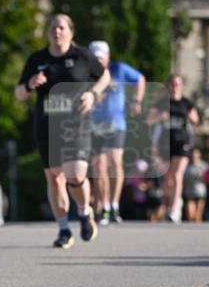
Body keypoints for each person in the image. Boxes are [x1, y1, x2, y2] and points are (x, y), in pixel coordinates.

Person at [15, 14, 110, 248]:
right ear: (47, 32)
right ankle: (64, 230)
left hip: (76, 124)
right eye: (52, 28)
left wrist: (92, 93)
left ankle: (84, 212)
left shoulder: (82, 56)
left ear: (71, 32)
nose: (56, 32)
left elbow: (105, 76)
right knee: (54, 179)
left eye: (61, 27)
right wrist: (30, 84)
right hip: (47, 124)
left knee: (75, 175)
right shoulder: (37, 59)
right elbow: (19, 94)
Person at [88, 40, 145, 224]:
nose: (98, 62)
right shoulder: (86, 73)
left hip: (117, 123)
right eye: (94, 58)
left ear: (108, 57)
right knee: (99, 167)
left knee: (115, 160)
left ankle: (114, 205)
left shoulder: (119, 69)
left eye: (101, 58)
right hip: (95, 125)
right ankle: (103, 207)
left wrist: (137, 101)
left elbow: (140, 79)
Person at [146, 73, 199, 223]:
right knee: (168, 180)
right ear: (168, 86)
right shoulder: (162, 103)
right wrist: (160, 116)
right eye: (172, 84)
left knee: (177, 175)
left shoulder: (187, 103)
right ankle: (174, 203)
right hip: (165, 143)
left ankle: (174, 209)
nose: (175, 87)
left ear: (181, 86)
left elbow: (196, 120)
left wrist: (190, 117)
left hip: (183, 142)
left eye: (178, 84)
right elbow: (149, 120)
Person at [183, 147, 208, 222]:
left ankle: (198, 231)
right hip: (189, 192)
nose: (193, 155)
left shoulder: (204, 165)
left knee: (198, 215)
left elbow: (207, 178)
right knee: (191, 215)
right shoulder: (185, 165)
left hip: (200, 192)